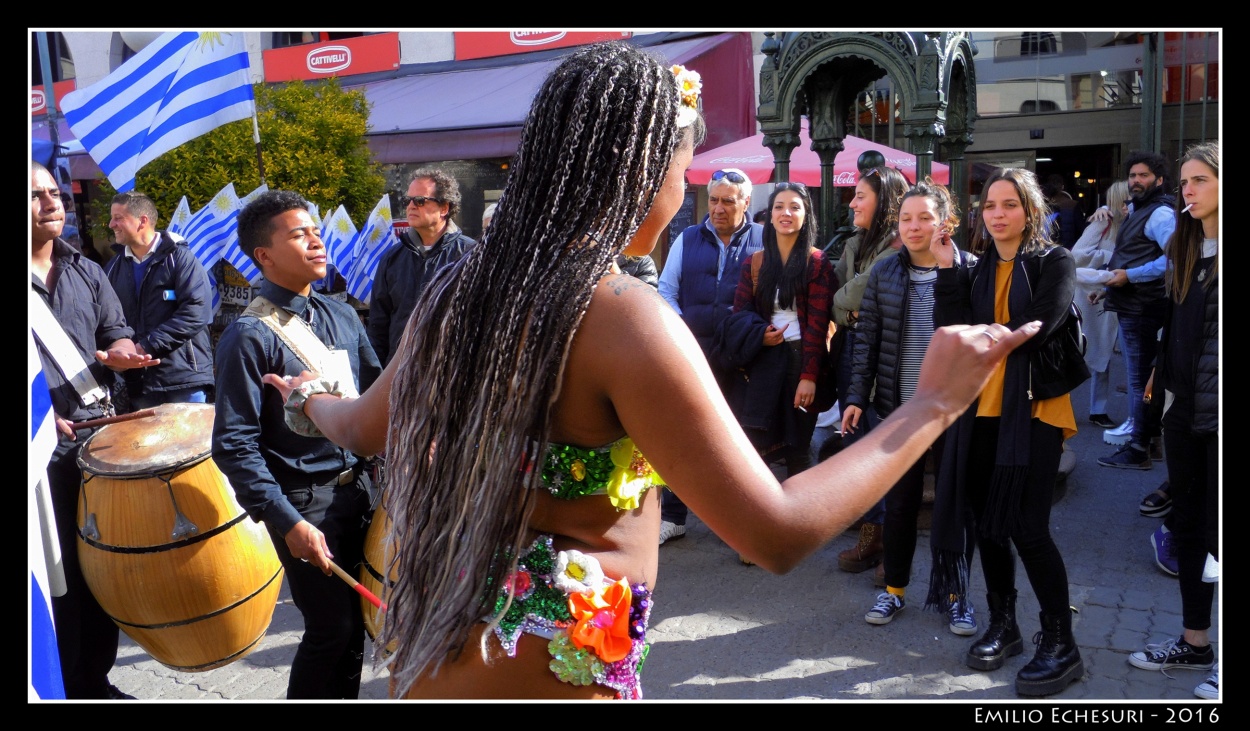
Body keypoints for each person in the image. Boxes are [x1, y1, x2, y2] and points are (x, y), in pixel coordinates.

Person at [262, 42, 1041, 700]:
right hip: (550, 669)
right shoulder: (625, 316)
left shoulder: (461, 291)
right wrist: (933, 402)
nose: (689, 186)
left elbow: (361, 422)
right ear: (641, 171)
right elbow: (774, 530)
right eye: (686, 165)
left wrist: (310, 400)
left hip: (449, 648)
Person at [211, 189, 383, 699]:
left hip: (363, 492)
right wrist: (287, 521)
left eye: (314, 230)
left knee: (358, 630)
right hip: (308, 504)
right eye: (298, 234)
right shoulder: (246, 336)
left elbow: (375, 398)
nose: (316, 240)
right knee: (331, 631)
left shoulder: (344, 315)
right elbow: (234, 444)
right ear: (264, 255)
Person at [928, 167, 1086, 697]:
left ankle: (1061, 643)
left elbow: (1042, 325)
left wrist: (985, 337)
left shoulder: (1052, 261)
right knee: (988, 525)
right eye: (990, 205)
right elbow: (949, 332)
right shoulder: (973, 270)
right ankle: (1004, 624)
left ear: (1030, 211)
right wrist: (948, 269)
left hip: (1034, 410)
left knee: (1028, 527)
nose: (997, 214)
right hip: (981, 412)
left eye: (1010, 205)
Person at [30, 160, 159, 699]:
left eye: (54, 192)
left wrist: (125, 355)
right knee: (55, 578)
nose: (51, 203)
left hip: (97, 435)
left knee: (101, 567)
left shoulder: (85, 268)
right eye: (35, 196)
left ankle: (94, 679)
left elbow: (116, 332)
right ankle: (62, 683)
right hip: (41, 453)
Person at [844, 180, 976, 635]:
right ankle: (894, 590)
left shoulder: (968, 269)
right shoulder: (886, 272)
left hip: (952, 411)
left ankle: (956, 595)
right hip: (900, 408)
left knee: (953, 508)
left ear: (946, 223)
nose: (914, 226)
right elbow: (867, 339)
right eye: (906, 218)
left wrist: (949, 271)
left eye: (924, 217)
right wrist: (856, 397)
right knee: (899, 505)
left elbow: (972, 338)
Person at [1127, 141, 1219, 701]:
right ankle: (1194, 640)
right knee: (1187, 530)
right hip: (1182, 409)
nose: (1187, 190)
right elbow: (1178, 324)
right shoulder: (1189, 245)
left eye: (1200, 181)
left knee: (1216, 536)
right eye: (1184, 181)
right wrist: (1158, 372)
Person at [655, 164, 763, 543]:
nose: (718, 208)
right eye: (714, 200)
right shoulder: (687, 237)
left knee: (739, 442)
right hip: (693, 353)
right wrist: (680, 329)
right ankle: (673, 516)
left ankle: (738, 524)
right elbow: (665, 290)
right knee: (682, 436)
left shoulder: (764, 240)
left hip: (743, 357)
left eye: (728, 202)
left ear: (746, 202)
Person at [830, 163, 909, 577]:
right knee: (856, 442)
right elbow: (838, 301)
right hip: (850, 348)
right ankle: (873, 530)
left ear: (884, 200)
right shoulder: (856, 242)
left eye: (861, 195)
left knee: (882, 446)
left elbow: (853, 294)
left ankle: (886, 538)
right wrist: (851, 306)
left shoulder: (897, 246)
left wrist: (852, 304)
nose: (853, 202)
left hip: (882, 354)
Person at [727, 180, 834, 477]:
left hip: (801, 359)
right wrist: (760, 333)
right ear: (770, 215)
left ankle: (799, 520)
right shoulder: (755, 263)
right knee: (757, 446)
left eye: (794, 207)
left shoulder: (817, 262)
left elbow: (818, 323)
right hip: (763, 362)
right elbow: (740, 312)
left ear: (806, 215)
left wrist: (809, 377)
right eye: (779, 207)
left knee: (798, 449)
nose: (786, 213)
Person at [1097, 151, 1176, 469]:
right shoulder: (1139, 211)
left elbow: (1174, 258)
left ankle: (1139, 447)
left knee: (1139, 380)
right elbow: (1129, 255)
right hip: (1134, 303)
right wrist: (1107, 287)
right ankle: (1149, 442)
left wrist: (1129, 276)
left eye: (1143, 175)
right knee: (1140, 379)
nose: (1136, 180)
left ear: (1158, 180)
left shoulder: (1159, 215)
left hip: (1142, 305)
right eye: (1132, 175)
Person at [103, 191, 215, 410]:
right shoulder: (112, 269)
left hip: (184, 382)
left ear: (142, 220)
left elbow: (196, 312)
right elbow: (107, 319)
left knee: (191, 445)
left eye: (118, 218)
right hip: (140, 386)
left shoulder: (179, 258)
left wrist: (145, 347)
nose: (111, 224)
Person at [368, 168, 477, 366]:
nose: (410, 206)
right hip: (398, 376)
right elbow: (378, 327)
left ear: (444, 208)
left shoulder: (471, 255)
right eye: (407, 201)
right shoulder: (391, 258)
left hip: (452, 373)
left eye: (419, 200)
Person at [1072, 181, 1129, 429]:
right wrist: (1109, 257)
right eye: (1127, 200)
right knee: (1091, 349)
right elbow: (1076, 254)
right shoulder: (1102, 222)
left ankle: (1100, 410)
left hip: (1119, 290)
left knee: (1106, 351)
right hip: (1090, 292)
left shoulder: (1134, 223)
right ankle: (1088, 409)